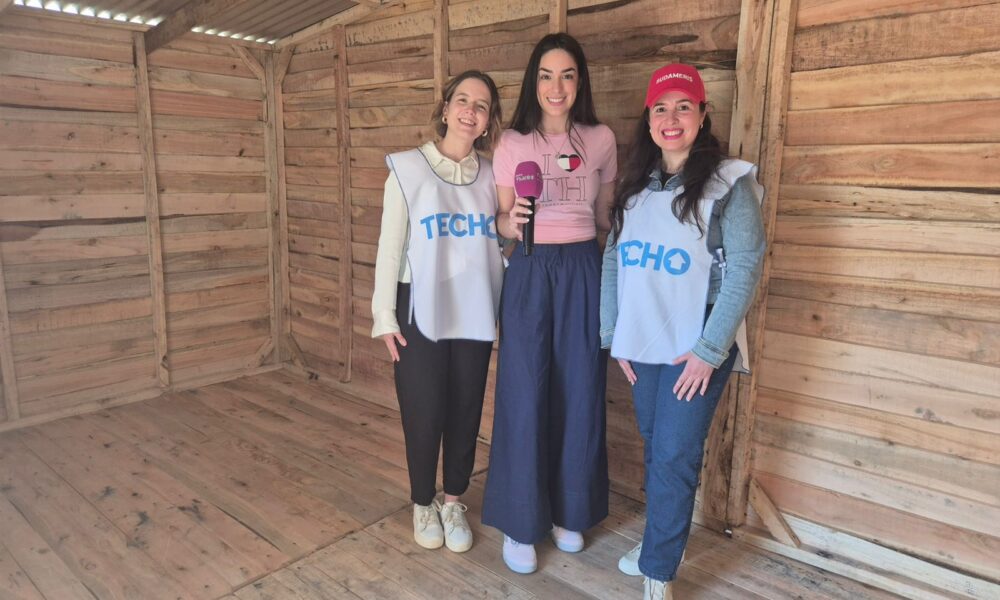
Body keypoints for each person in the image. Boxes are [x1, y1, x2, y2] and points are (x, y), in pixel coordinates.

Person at [600, 63, 766, 599]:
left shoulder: (728, 183)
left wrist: (709, 351)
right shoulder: (635, 185)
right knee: (657, 446)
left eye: (683, 107)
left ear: (702, 115)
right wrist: (614, 334)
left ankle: (659, 572)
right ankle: (659, 541)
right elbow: (614, 259)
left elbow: (746, 266)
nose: (671, 119)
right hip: (644, 336)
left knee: (674, 452)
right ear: (648, 117)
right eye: (661, 108)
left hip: (696, 342)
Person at [481, 32, 618, 574]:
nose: (555, 86)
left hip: (584, 267)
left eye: (566, 74)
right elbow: (499, 221)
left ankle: (570, 513)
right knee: (524, 391)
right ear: (533, 82)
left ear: (579, 81)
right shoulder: (512, 142)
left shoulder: (601, 139)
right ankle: (521, 523)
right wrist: (508, 222)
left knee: (580, 388)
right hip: (530, 268)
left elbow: (605, 220)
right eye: (545, 75)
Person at [371, 70, 505, 554]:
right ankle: (422, 502)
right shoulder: (407, 170)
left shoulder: (493, 176)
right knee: (424, 409)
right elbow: (390, 247)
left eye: (482, 105)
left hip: (473, 305)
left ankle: (453, 501)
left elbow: (501, 241)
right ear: (445, 109)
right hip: (419, 305)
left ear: (488, 121)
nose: (471, 111)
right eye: (462, 100)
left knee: (466, 407)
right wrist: (385, 316)